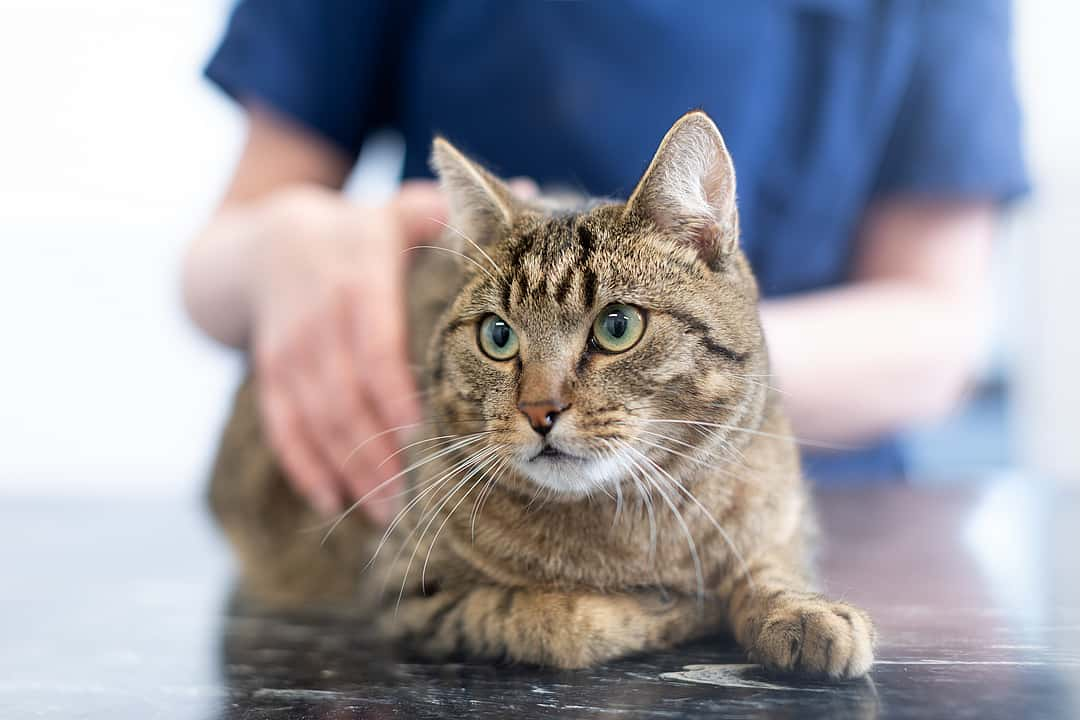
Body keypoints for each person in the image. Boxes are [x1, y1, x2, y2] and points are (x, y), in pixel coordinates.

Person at [184, 1, 1028, 519]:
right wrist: (281, 239)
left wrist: (670, 384)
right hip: (452, 492)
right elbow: (207, 275)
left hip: (817, 505)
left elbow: (939, 329)